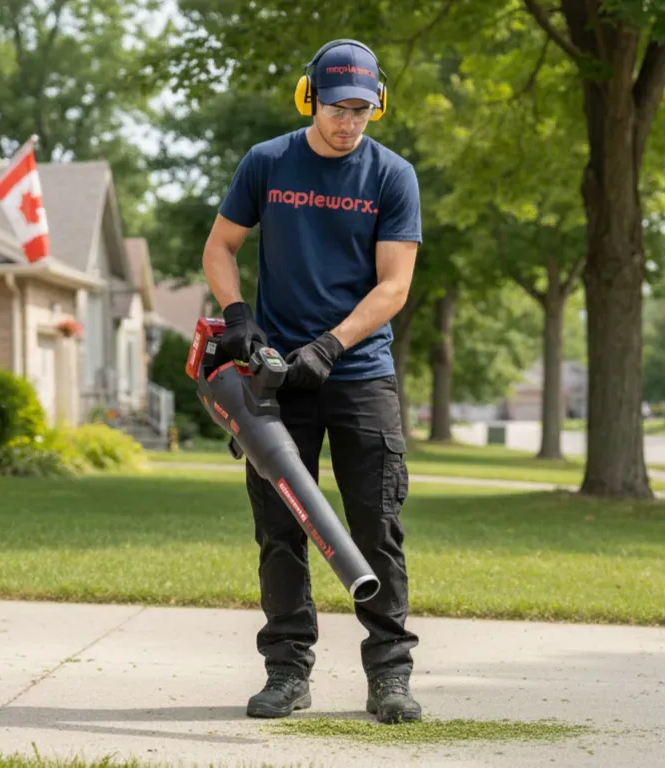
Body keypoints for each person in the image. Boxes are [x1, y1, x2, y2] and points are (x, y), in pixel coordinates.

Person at [199, 38, 423, 725]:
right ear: (310, 98)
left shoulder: (392, 176)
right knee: (281, 529)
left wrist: (329, 346)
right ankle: (287, 672)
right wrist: (238, 316)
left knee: (376, 527)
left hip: (359, 375)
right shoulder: (267, 162)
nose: (347, 121)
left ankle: (389, 677)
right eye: (335, 107)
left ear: (376, 104)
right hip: (274, 384)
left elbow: (394, 286)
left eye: (360, 109)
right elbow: (220, 247)